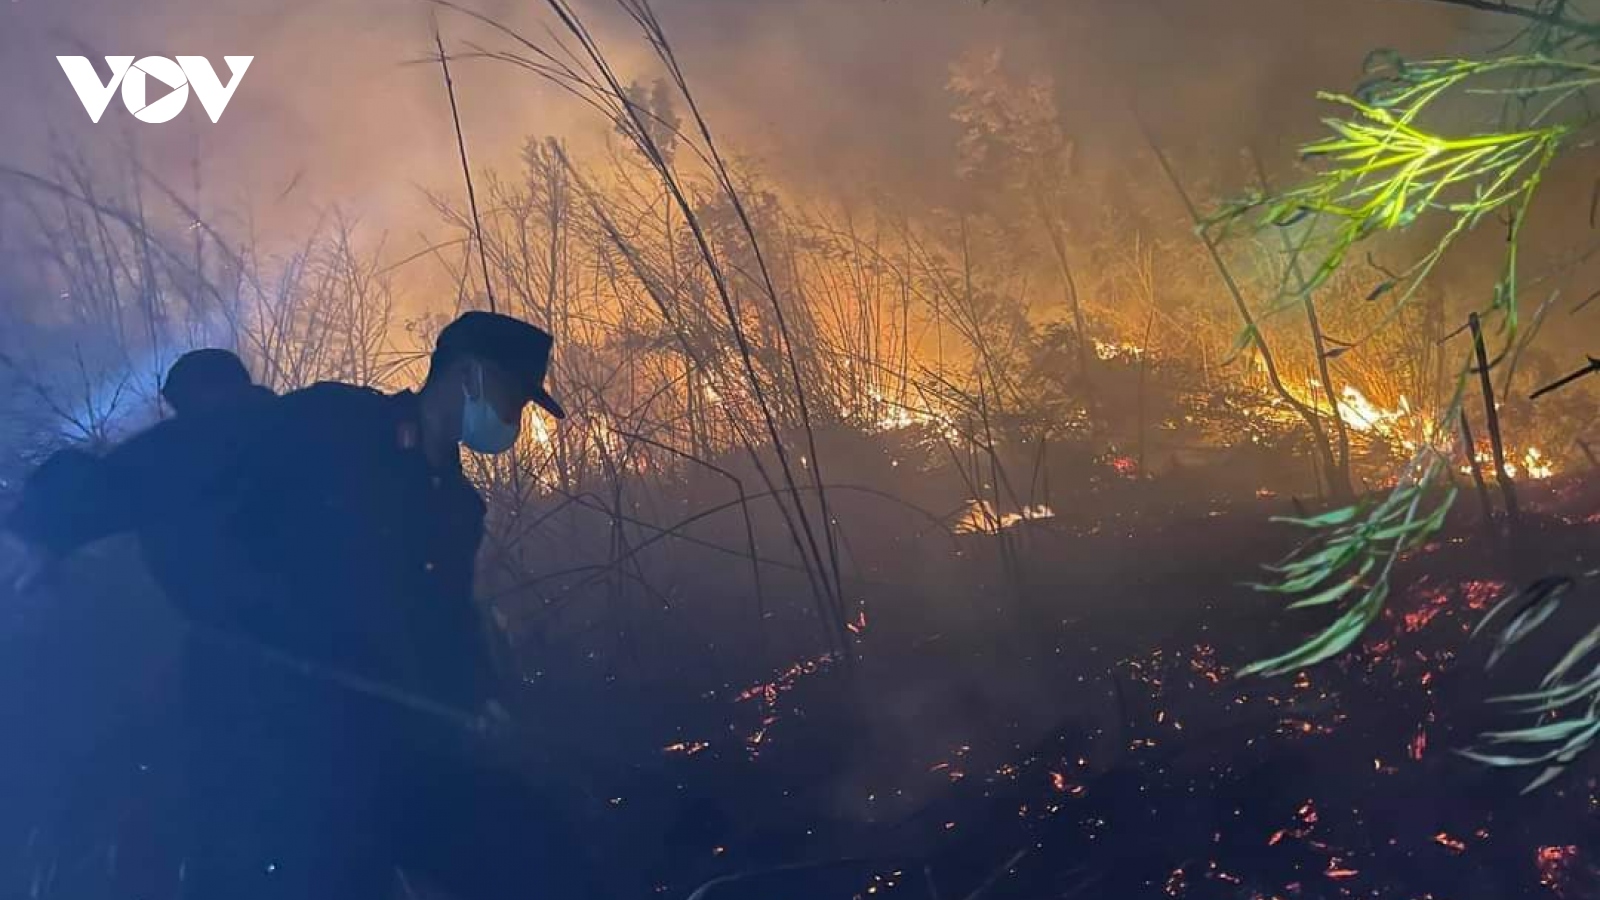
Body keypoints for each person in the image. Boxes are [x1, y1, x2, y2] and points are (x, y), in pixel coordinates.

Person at [2, 314, 591, 898]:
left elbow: (443, 621)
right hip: (281, 737)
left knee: (535, 854)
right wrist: (51, 522)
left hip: (391, 742)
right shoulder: (340, 425)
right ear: (470, 376)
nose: (514, 417)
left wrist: (476, 695)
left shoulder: (457, 506)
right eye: (514, 397)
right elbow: (194, 451)